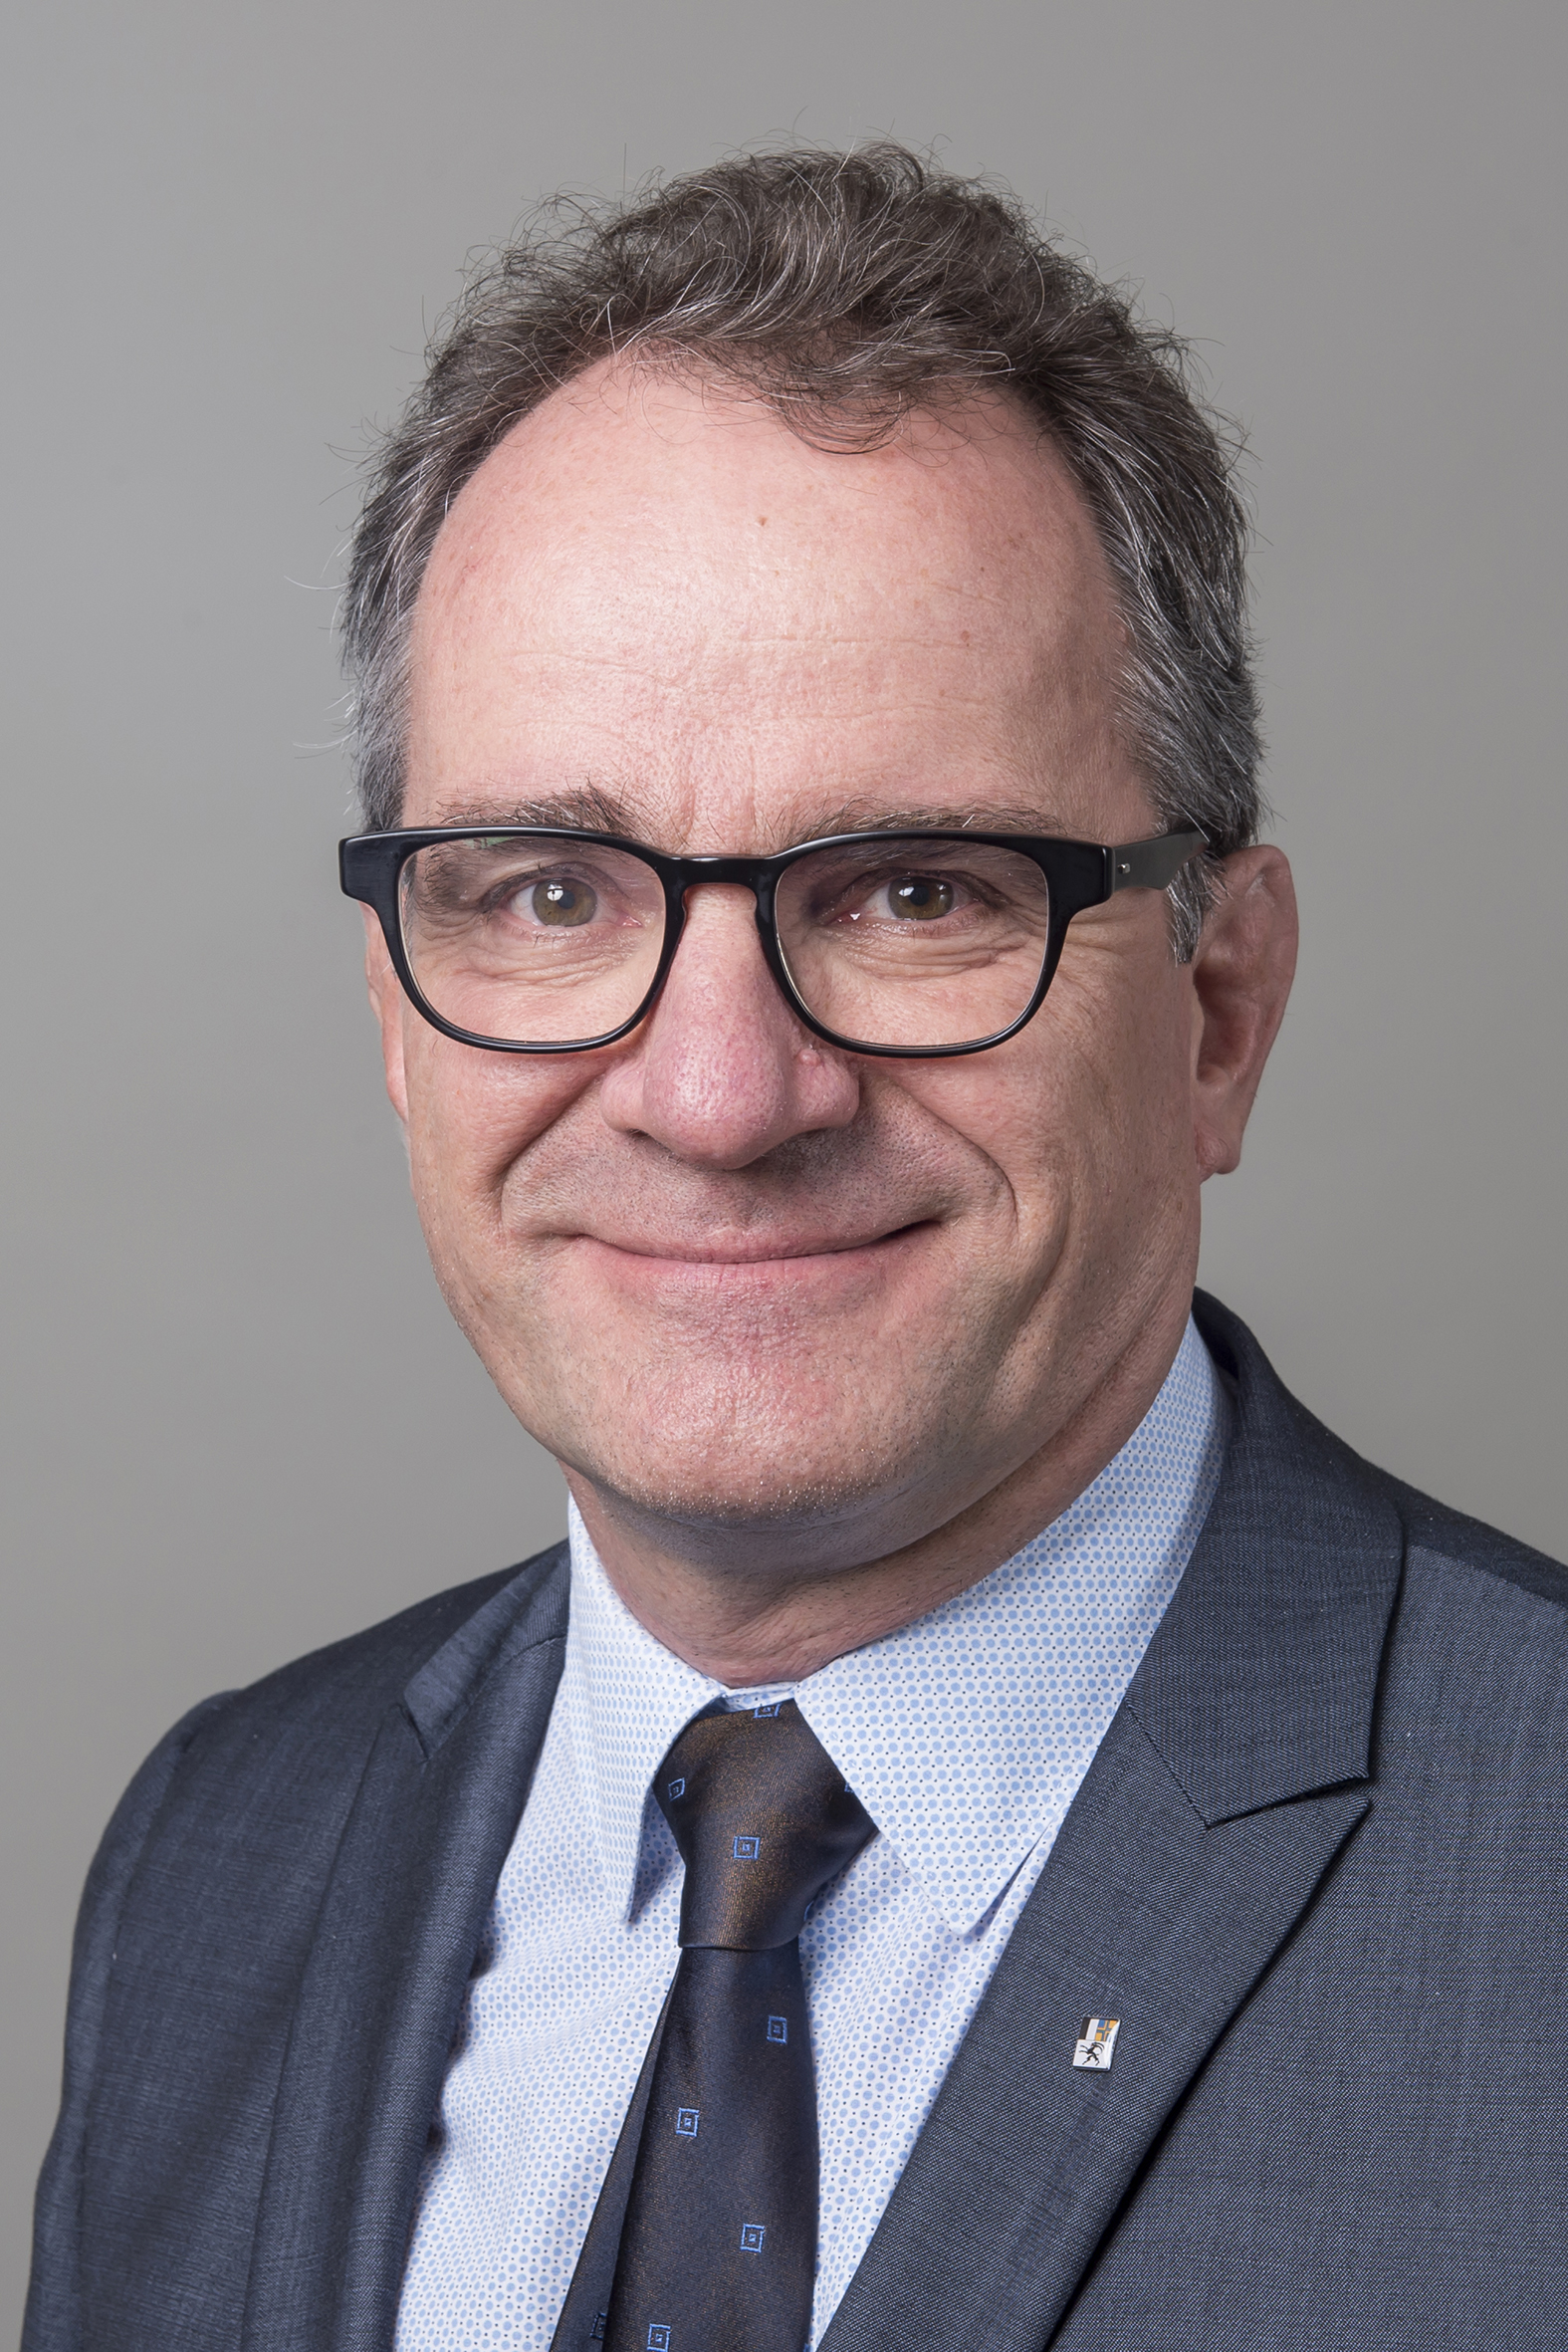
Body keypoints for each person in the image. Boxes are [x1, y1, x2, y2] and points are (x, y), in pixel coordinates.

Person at [25, 145, 1568, 2352]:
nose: (722, 1093)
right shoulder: (221, 1855)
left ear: (1218, 1008)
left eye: (916, 890)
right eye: (551, 894)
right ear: (395, 1017)